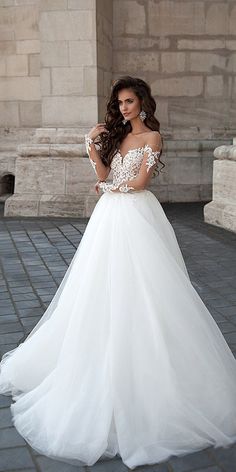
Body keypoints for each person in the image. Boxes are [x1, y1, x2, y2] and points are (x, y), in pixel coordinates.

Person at [0, 75, 236, 471]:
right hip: (110, 218)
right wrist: (92, 147)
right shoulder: (118, 137)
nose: (124, 107)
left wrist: (108, 186)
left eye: (129, 101)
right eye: (120, 102)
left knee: (147, 289)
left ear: (143, 103)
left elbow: (139, 183)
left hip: (137, 217)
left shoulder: (151, 139)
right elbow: (105, 177)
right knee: (99, 287)